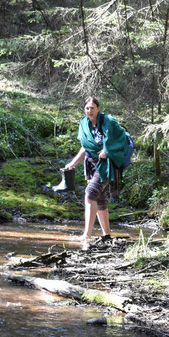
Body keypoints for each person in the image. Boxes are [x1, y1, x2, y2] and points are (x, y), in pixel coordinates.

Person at [62, 97, 129, 245]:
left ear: (98, 108)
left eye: (92, 108)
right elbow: (85, 147)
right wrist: (72, 164)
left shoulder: (108, 122)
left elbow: (121, 140)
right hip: (92, 164)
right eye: (87, 108)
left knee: (90, 193)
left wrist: (107, 150)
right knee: (99, 198)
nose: (89, 111)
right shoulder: (84, 124)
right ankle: (106, 235)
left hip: (107, 165)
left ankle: (87, 234)